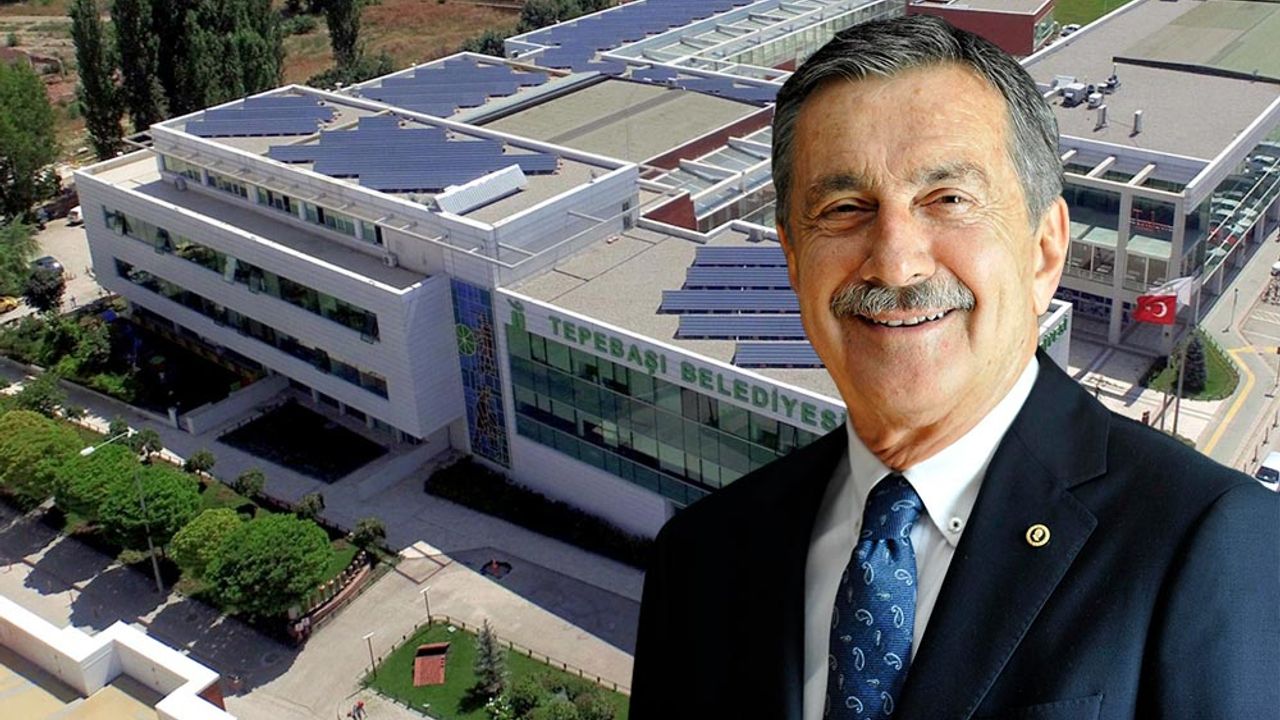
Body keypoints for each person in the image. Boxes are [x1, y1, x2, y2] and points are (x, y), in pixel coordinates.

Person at [629, 15, 1279, 720]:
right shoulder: (700, 555)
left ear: (1043, 249)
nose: (895, 262)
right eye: (844, 208)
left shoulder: (1205, 542)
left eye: (948, 200)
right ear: (792, 259)